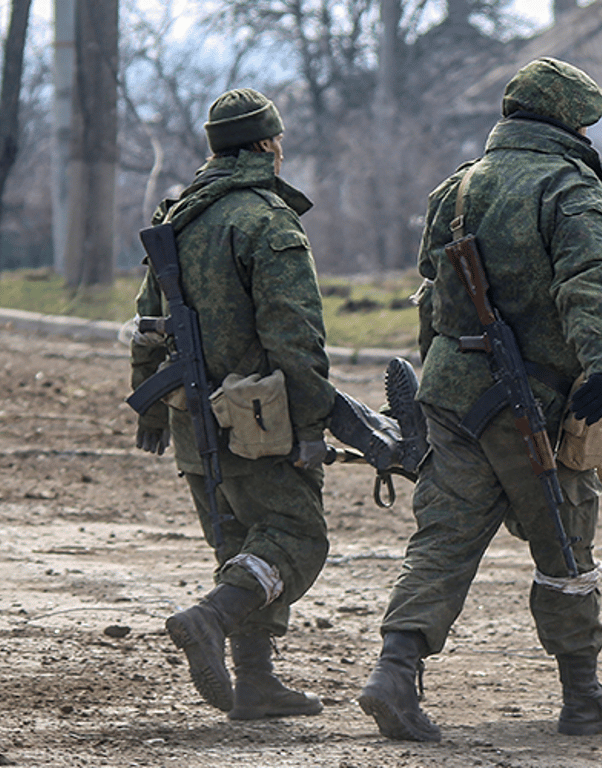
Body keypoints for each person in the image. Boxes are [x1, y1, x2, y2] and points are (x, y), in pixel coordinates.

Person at [356, 57, 602, 741]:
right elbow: (592, 277)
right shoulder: (568, 187)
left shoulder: (453, 190)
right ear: (570, 122)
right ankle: (583, 695)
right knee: (565, 541)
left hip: (450, 392)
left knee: (443, 538)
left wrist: (434, 383)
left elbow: (431, 292)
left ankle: (395, 673)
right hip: (530, 399)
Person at [130, 88, 334, 720]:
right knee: (297, 537)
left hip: (190, 415)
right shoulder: (266, 220)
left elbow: (147, 320)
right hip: (258, 420)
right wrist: (311, 425)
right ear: (270, 145)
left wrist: (150, 408)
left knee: (240, 543)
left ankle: (255, 680)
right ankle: (210, 619)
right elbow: (295, 335)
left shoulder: (178, 214)